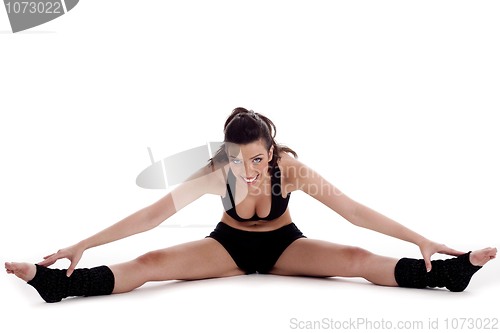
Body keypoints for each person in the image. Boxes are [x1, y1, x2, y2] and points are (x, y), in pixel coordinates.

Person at [5, 107, 497, 303]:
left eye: (257, 159)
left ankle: (448, 274)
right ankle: (55, 286)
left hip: (284, 247)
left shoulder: (291, 169)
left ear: (271, 149)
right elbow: (152, 217)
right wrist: (82, 242)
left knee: (357, 261)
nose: (248, 170)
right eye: (238, 159)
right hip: (228, 248)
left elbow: (352, 210)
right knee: (151, 264)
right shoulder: (215, 170)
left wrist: (419, 238)